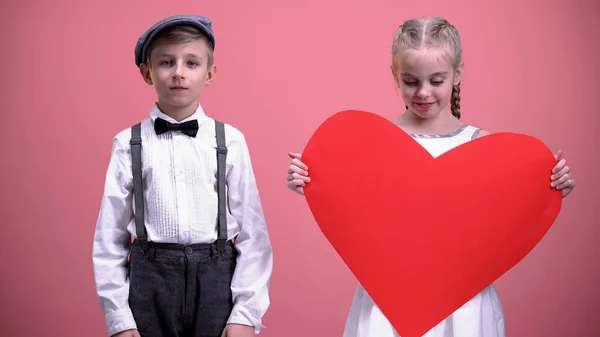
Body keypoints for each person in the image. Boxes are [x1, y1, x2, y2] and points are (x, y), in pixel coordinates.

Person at [285, 17, 575, 337]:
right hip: (387, 300)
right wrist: (310, 180)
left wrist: (552, 184)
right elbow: (354, 204)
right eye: (411, 81)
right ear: (395, 75)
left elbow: (513, 211)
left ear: (457, 74)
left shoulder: (484, 147)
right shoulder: (371, 145)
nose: (424, 92)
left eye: (436, 80)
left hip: (464, 306)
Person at [93, 14, 273, 337]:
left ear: (210, 73)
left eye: (191, 63)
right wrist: (119, 319)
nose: (178, 72)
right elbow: (109, 240)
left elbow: (254, 236)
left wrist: (246, 312)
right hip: (150, 291)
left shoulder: (230, 141)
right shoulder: (127, 144)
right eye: (166, 62)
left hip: (217, 288)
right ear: (147, 72)